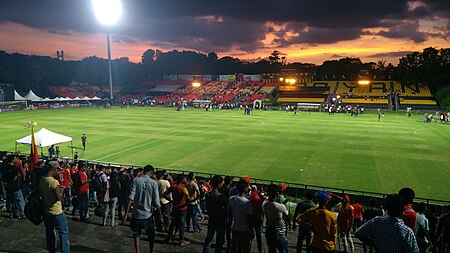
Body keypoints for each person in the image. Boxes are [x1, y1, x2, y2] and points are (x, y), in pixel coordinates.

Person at [355, 194, 419, 253]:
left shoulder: (376, 221)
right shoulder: (407, 232)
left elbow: (358, 233)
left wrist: (375, 244)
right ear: (403, 209)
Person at [123, 165, 160, 253]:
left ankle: (138, 251)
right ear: (151, 172)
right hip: (147, 215)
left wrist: (126, 214)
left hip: (136, 214)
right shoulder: (153, 183)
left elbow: (130, 198)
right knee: (151, 236)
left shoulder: (136, 181)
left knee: (136, 235)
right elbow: (157, 202)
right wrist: (160, 216)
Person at [40, 163, 70, 253]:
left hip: (46, 211)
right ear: (54, 169)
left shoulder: (42, 179)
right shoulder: (54, 182)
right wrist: (61, 190)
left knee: (49, 232)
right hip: (56, 212)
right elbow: (59, 198)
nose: (58, 172)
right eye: (57, 170)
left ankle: (51, 250)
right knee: (63, 233)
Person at [163, 174, 191, 246]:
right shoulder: (183, 188)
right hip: (182, 209)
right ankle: (181, 241)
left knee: (172, 224)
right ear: (182, 180)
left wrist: (171, 201)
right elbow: (188, 198)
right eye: (185, 179)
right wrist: (186, 204)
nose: (186, 180)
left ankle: (167, 238)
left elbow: (164, 195)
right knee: (181, 224)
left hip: (175, 208)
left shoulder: (173, 187)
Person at [228, 178, 253, 253]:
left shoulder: (231, 199)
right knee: (245, 248)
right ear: (245, 188)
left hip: (235, 226)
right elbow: (249, 217)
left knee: (234, 247)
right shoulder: (247, 202)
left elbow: (230, 213)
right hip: (245, 228)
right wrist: (251, 229)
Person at [203, 175, 227, 253]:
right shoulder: (221, 196)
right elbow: (224, 210)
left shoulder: (207, 195)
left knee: (209, 239)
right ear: (219, 184)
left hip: (212, 219)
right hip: (220, 221)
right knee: (219, 241)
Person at [263, 184, 289, 253]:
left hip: (269, 233)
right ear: (277, 193)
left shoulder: (264, 205)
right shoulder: (281, 206)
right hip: (279, 234)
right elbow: (286, 215)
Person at [249, 185, 264, 253]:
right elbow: (261, 210)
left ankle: (248, 247)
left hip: (251, 219)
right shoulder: (258, 199)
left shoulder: (250, 197)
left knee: (250, 234)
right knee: (258, 236)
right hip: (257, 219)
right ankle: (260, 250)